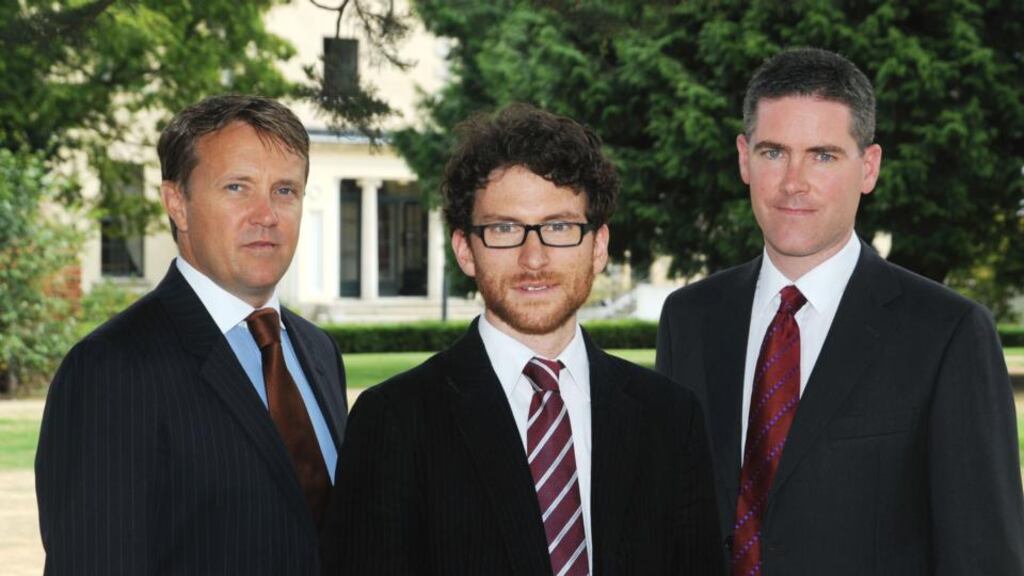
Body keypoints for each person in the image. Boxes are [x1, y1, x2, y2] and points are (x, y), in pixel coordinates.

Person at [656, 47, 1024, 575]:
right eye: (773, 152)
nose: (793, 182)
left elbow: (982, 556)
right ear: (743, 158)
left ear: (868, 167)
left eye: (823, 155)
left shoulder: (948, 334)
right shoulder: (689, 318)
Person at [320, 103, 723, 575]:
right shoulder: (394, 421)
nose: (534, 258)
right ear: (465, 251)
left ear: (599, 247)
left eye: (558, 227)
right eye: (504, 229)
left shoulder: (671, 417)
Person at [35, 95, 348, 575]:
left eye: (285, 190)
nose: (266, 214)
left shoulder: (318, 353)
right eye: (238, 187)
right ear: (176, 203)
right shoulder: (111, 369)